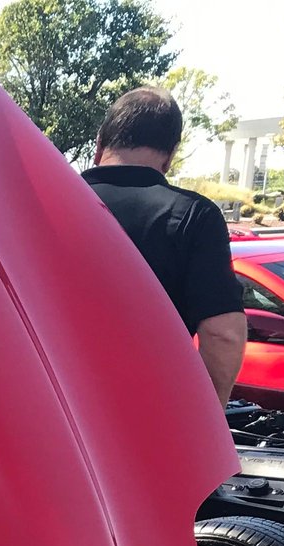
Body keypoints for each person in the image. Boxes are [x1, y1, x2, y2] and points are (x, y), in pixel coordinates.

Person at [81, 86, 247, 401]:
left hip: (43, 412)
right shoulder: (195, 217)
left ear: (100, 142)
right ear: (170, 155)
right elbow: (223, 334)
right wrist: (206, 417)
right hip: (144, 412)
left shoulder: (36, 200)